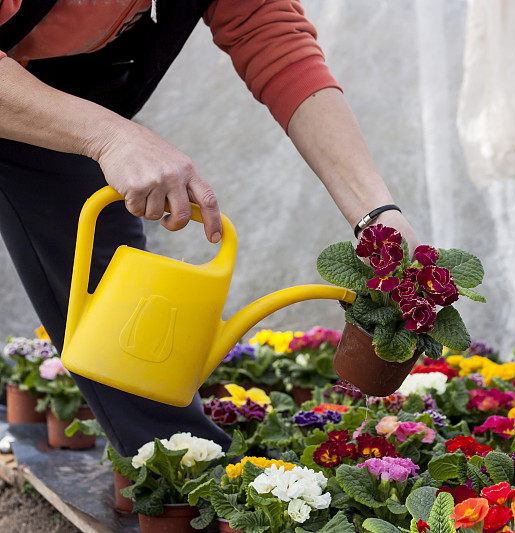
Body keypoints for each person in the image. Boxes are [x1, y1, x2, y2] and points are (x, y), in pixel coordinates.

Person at [0, 1, 420, 456]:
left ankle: (182, 464)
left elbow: (270, 34)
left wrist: (375, 213)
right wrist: (109, 136)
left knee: (110, 294)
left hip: (58, 86)